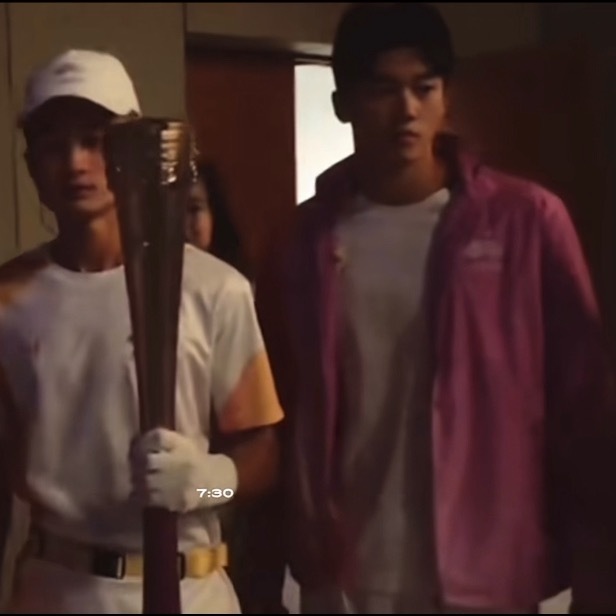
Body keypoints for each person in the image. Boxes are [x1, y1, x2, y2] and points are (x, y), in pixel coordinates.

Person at [256, 3, 616, 614]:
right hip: (342, 580)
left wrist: (598, 574)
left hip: (488, 578)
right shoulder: (301, 243)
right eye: (383, 90)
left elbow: (584, 412)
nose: (407, 110)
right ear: (343, 104)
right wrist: (256, 574)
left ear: (447, 97)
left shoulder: (525, 222)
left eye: (424, 88)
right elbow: (273, 431)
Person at [0, 48, 284, 614]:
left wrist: (207, 483)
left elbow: (264, 458)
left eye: (96, 141)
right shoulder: (9, 298)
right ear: (31, 164)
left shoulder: (215, 289)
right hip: (57, 588)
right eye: (54, 145)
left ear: (134, 152)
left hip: (190, 588)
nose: (76, 163)